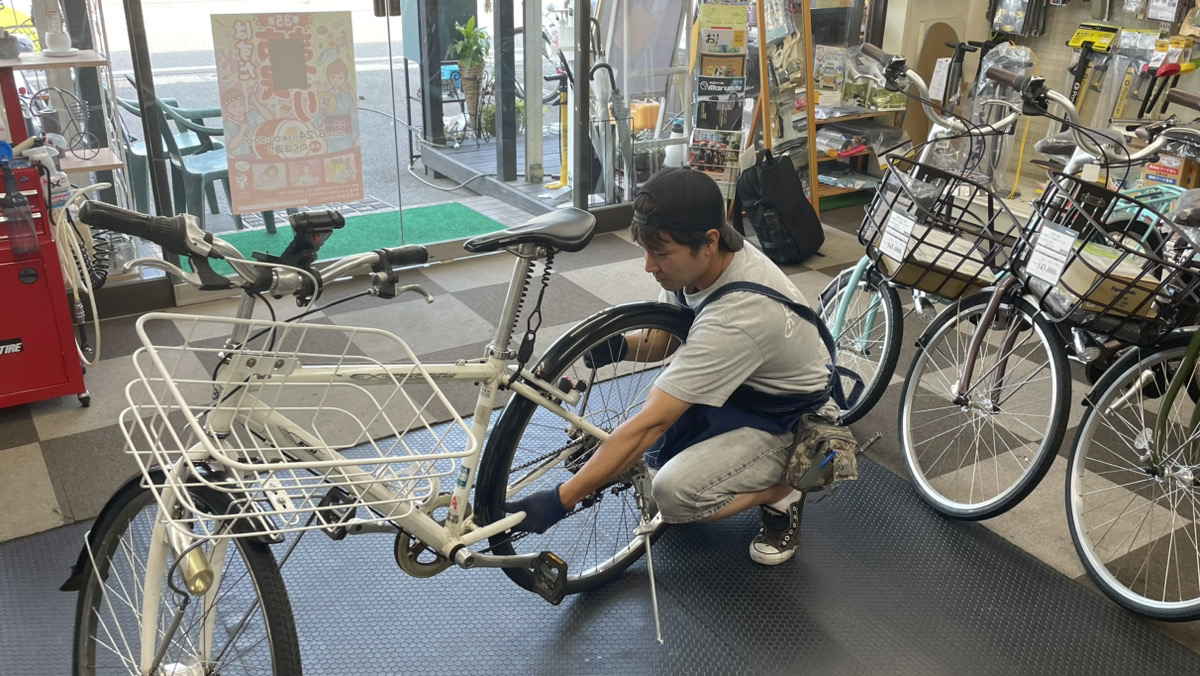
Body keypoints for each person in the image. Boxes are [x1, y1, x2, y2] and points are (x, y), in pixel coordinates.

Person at [505, 166, 840, 565]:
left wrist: (562, 499)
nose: (649, 266)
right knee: (646, 458)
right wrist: (618, 347)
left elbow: (652, 423)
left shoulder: (739, 315)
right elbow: (667, 338)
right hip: (738, 393)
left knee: (675, 495)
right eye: (645, 251)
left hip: (786, 421)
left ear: (709, 241)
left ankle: (785, 491)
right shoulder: (700, 265)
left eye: (660, 254)